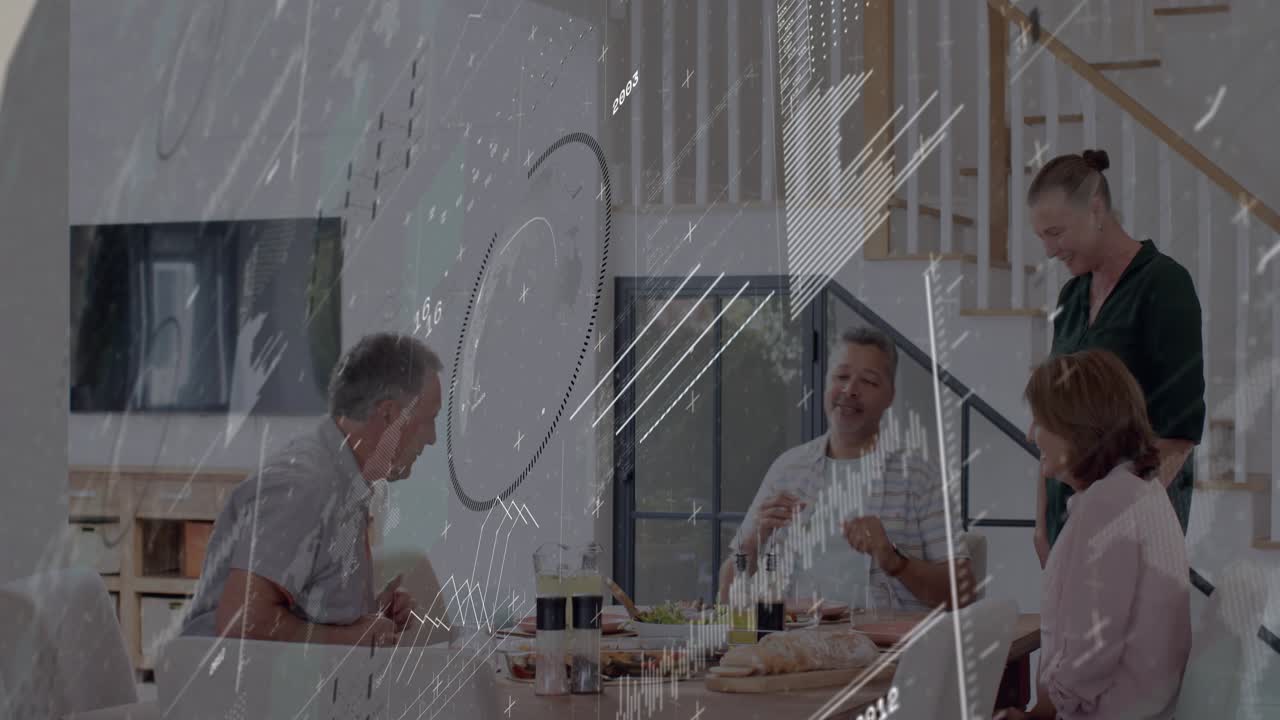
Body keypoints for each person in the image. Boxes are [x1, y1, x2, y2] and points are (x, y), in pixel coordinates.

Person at [182, 333, 443, 646]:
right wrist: (350, 638)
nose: (432, 438)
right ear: (388, 414)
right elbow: (241, 621)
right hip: (235, 676)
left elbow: (305, 609)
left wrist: (369, 613)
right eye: (428, 420)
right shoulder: (305, 486)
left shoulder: (343, 480)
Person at [1029, 149, 1205, 568]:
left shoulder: (1164, 284)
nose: (1050, 251)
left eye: (1056, 233)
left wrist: (1114, 520)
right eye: (1042, 238)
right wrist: (1041, 521)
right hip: (1068, 513)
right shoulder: (1072, 296)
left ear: (1095, 210)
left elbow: (1179, 433)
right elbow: (1050, 418)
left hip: (1135, 518)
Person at [718, 327, 975, 611]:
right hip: (795, 636)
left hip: (887, 638)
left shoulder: (919, 474)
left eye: (868, 381)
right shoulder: (788, 468)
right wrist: (752, 542)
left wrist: (895, 561)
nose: (850, 390)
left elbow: (964, 594)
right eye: (841, 377)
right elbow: (726, 597)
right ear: (826, 384)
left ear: (890, 395)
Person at [998, 350, 1191, 720]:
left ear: (1075, 428)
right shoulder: (1140, 492)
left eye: (1039, 421)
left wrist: (1039, 713)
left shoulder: (1108, 504)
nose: (1030, 435)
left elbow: (1092, 651)